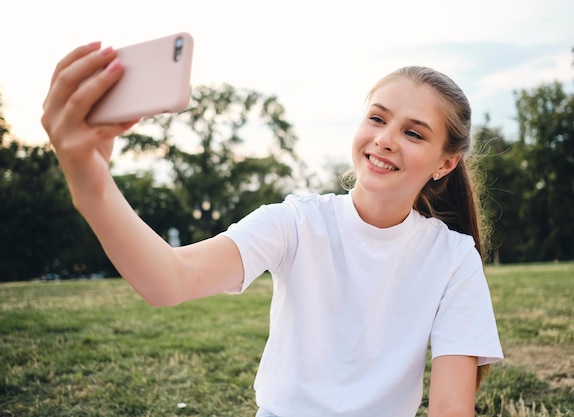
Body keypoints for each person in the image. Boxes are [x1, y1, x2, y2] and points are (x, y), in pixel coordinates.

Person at [41, 41, 503, 417]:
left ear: (446, 163)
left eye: (414, 133)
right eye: (377, 118)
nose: (385, 139)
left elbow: (450, 409)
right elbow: (169, 280)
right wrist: (91, 187)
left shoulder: (453, 257)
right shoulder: (297, 222)